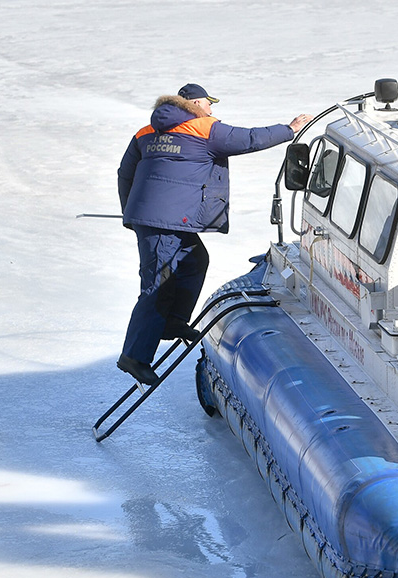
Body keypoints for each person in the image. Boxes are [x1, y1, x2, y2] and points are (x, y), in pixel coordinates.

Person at [116, 83, 312, 385]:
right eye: (209, 103)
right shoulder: (205, 128)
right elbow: (248, 139)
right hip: (163, 222)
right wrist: (290, 129)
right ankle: (134, 356)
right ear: (195, 103)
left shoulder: (146, 132)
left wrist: (132, 211)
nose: (212, 109)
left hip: (162, 219)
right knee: (157, 284)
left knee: (194, 260)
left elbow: (125, 173)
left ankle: (172, 322)